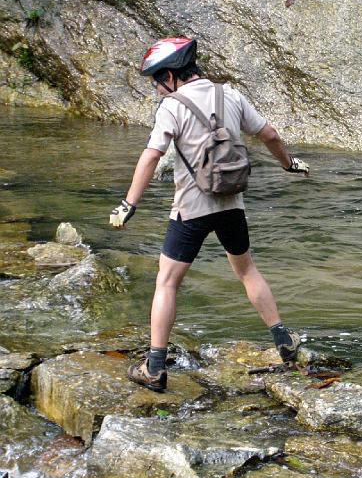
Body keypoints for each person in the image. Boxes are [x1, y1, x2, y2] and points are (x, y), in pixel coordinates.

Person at [110, 36, 310, 392]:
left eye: (157, 81)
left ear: (170, 76)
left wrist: (129, 204)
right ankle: (284, 342)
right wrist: (289, 164)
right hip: (232, 203)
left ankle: (154, 368)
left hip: (190, 209)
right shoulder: (230, 94)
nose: (157, 89)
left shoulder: (172, 106)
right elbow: (270, 134)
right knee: (247, 271)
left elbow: (152, 155)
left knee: (167, 281)